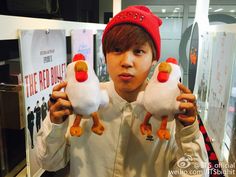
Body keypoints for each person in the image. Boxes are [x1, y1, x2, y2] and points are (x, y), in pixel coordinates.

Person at [36, 5, 208, 177]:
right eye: (117, 50)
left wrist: (189, 132)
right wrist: (56, 123)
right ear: (105, 55)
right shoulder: (82, 101)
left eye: (138, 51)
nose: (126, 61)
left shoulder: (169, 112)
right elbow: (49, 162)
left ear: (154, 59)